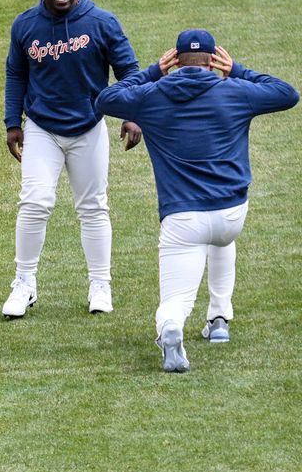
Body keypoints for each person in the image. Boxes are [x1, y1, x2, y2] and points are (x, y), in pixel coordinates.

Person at [96, 30, 298, 372]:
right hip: (231, 216)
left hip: (182, 220)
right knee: (221, 241)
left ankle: (172, 327)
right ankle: (219, 319)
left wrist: (152, 72)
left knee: (175, 301)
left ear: (175, 60)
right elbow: (287, 93)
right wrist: (237, 69)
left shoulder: (151, 95)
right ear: (211, 60)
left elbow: (105, 99)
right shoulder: (235, 91)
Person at [2, 0, 144, 319]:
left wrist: (131, 113)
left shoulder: (102, 22)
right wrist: (12, 123)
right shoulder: (25, 25)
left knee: (94, 207)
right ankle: (24, 283)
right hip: (42, 128)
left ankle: (100, 284)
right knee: (34, 202)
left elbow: (129, 70)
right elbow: (16, 75)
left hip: (89, 126)